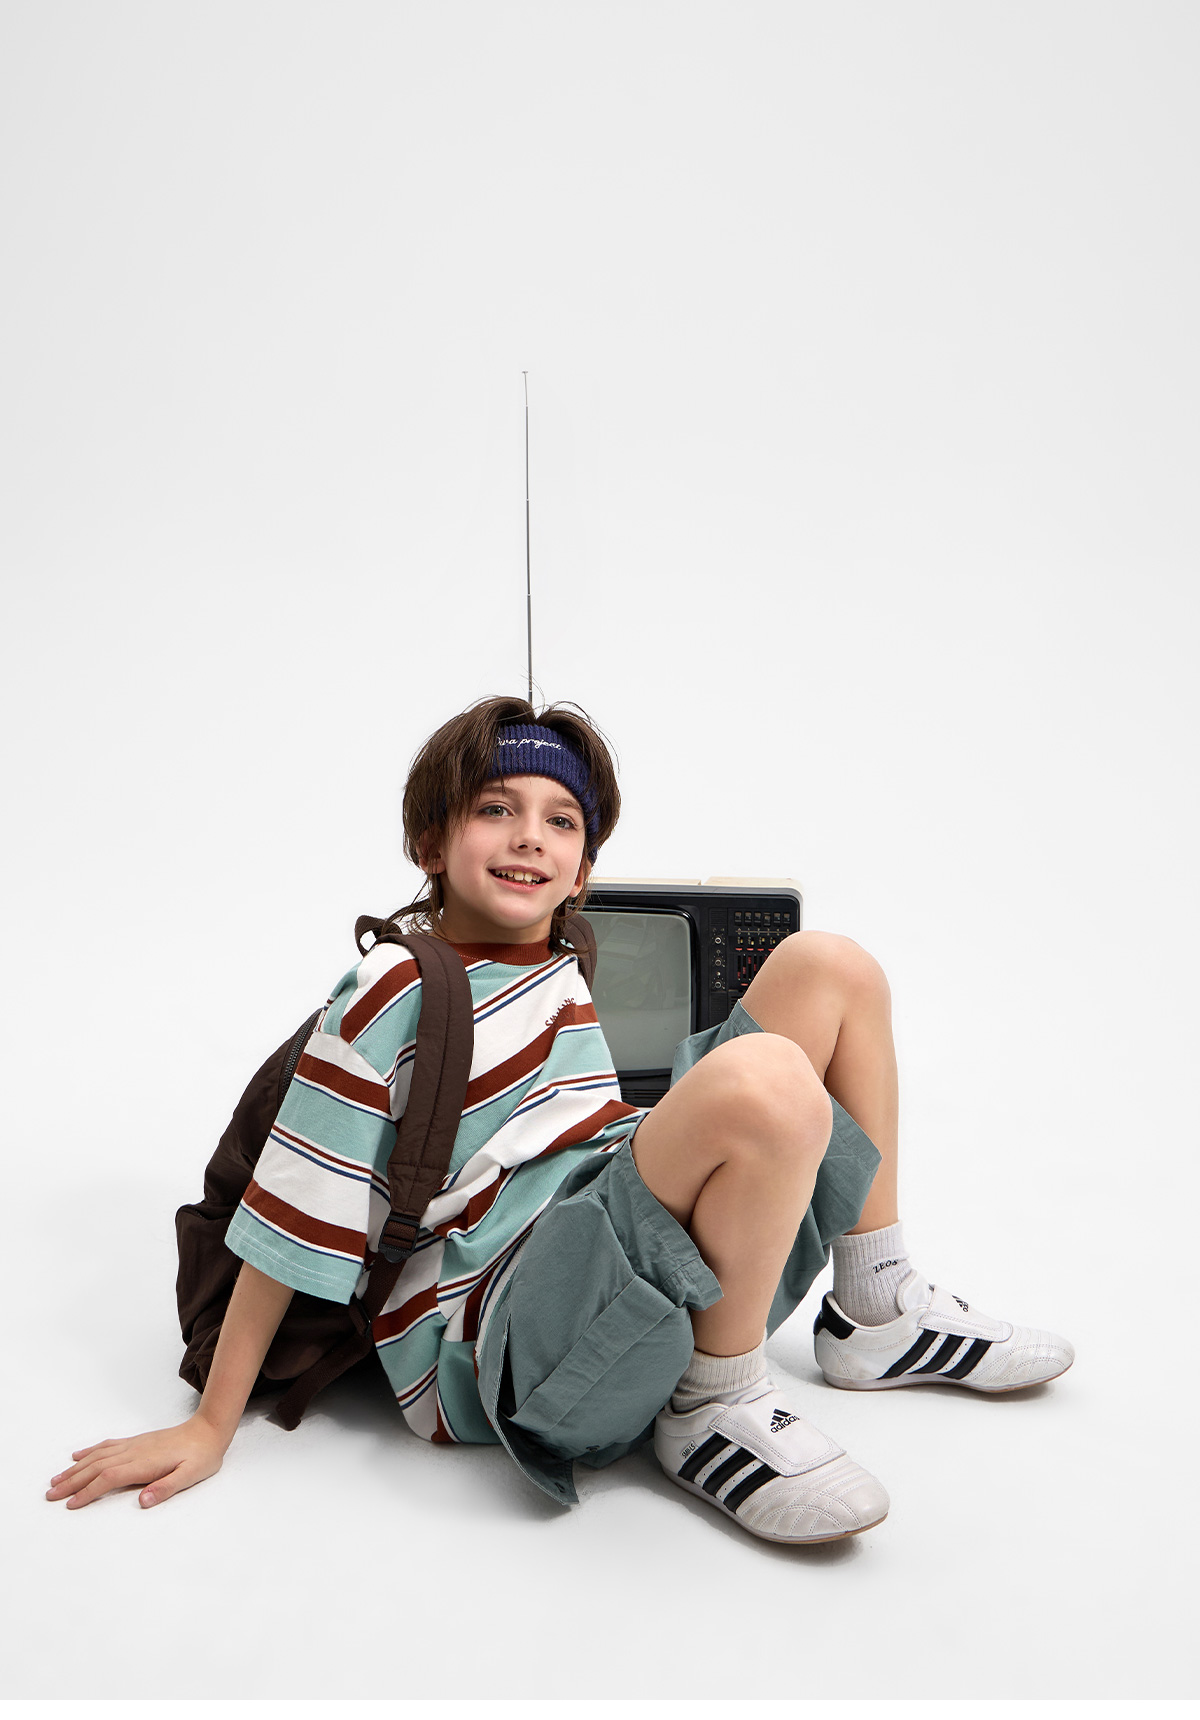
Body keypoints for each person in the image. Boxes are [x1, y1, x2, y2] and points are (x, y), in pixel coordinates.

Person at [46, 695, 1073, 1545]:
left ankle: (874, 1310)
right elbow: (290, 1214)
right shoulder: (393, 984)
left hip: (598, 1254)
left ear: (583, 871)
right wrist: (212, 1425)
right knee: (765, 1080)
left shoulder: (556, 967)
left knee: (831, 966)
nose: (530, 835)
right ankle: (711, 1404)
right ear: (429, 841)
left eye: (561, 820)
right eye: (495, 808)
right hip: (502, 1339)